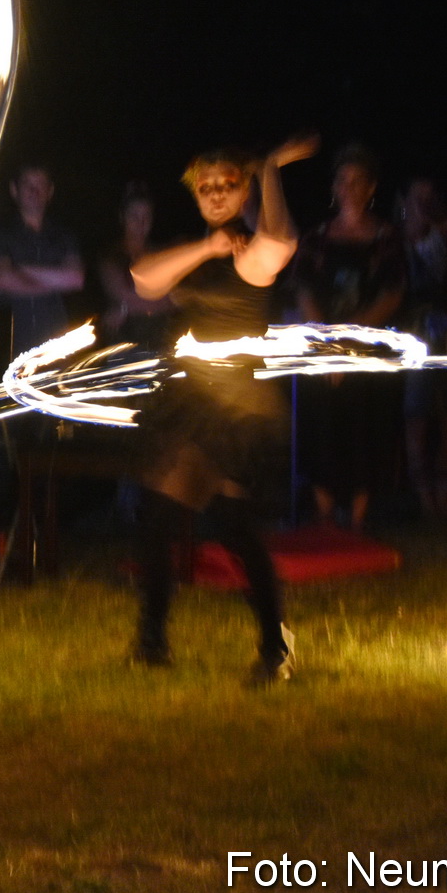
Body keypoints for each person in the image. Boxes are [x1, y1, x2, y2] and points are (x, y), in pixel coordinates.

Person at [128, 134, 317, 683]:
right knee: (158, 515)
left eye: (227, 185)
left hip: (237, 409)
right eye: (205, 187)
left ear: (243, 190)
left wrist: (272, 169)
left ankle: (275, 647)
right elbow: (146, 279)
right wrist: (206, 247)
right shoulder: (205, 253)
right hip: (189, 403)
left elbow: (280, 238)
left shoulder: (253, 257)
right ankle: (151, 640)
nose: (214, 194)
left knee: (234, 525)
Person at [293, 146, 406, 532]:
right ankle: (324, 514)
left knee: (365, 423)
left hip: (368, 349)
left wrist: (351, 339)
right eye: (343, 179)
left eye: (358, 181)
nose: (349, 187)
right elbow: (304, 289)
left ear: (371, 187)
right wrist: (329, 341)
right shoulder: (317, 237)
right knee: (321, 420)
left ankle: (358, 517)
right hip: (323, 347)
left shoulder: (387, 237)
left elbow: (391, 293)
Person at [395, 177, 447, 517]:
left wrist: (443, 230)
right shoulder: (393, 240)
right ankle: (425, 498)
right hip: (411, 335)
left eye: (431, 197)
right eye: (418, 197)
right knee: (417, 419)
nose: (425, 204)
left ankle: (444, 495)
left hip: (446, 332)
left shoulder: (442, 236)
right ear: (405, 201)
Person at [0, 164, 83, 355]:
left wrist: (21, 270)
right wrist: (55, 283)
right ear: (15, 190)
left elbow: (75, 278)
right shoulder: (0, 233)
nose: (34, 191)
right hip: (9, 341)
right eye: (28, 184)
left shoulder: (63, 235)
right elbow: (3, 279)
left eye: (41, 185)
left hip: (56, 344)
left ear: (50, 191)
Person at [97, 182, 173, 347]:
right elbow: (124, 295)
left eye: (146, 216)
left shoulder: (161, 254)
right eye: (134, 216)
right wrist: (157, 299)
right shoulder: (111, 256)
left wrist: (125, 308)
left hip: (160, 341)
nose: (141, 222)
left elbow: (175, 298)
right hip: (123, 346)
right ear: (122, 217)